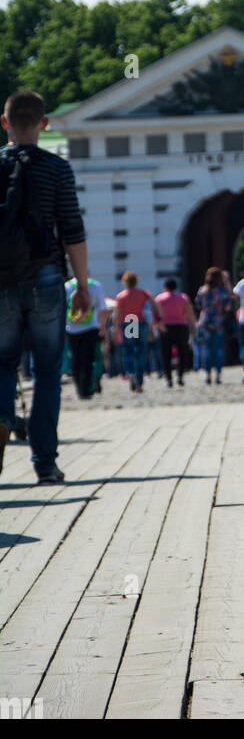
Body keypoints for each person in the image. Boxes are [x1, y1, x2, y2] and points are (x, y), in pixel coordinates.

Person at [0, 90, 90, 483]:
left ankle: (3, 417)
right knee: (49, 370)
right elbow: (72, 231)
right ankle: (45, 462)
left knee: (1, 364)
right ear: (44, 124)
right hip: (46, 277)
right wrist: (82, 285)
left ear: (4, 123)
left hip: (0, 280)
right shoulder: (57, 169)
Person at [64, 275, 111, 400]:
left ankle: (79, 388)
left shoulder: (67, 286)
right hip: (91, 328)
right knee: (88, 360)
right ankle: (85, 389)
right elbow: (103, 308)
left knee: (75, 359)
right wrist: (103, 327)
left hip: (71, 328)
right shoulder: (95, 285)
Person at [112, 272, 160, 394]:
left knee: (128, 351)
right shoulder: (144, 293)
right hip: (142, 323)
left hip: (130, 322)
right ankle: (139, 381)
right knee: (141, 353)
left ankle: (130, 372)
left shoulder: (121, 296)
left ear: (124, 282)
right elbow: (155, 306)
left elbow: (118, 314)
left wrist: (116, 328)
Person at [154, 278, 196, 387]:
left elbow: (156, 314)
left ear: (165, 287)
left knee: (166, 354)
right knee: (183, 352)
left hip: (166, 327)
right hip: (181, 326)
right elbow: (189, 313)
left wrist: (158, 325)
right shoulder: (183, 298)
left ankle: (168, 378)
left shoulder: (160, 298)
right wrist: (193, 326)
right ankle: (180, 376)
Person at [195, 267, 233, 385]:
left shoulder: (202, 290)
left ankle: (208, 375)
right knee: (218, 349)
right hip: (218, 322)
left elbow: (197, 304)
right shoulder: (222, 291)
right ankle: (218, 375)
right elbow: (228, 307)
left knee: (207, 349)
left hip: (205, 322)